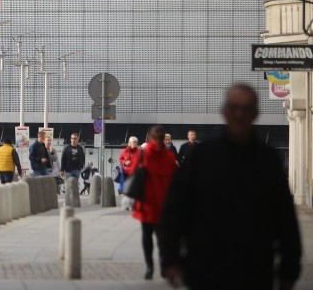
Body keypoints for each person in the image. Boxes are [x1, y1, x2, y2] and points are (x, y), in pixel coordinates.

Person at [161, 84, 301, 290]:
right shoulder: (202, 156)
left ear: (255, 113)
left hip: (254, 267)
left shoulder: (267, 160)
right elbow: (175, 208)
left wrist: (290, 268)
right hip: (206, 266)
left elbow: (284, 216)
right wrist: (170, 258)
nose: (239, 114)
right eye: (234, 107)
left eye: (246, 108)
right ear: (225, 111)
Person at [131, 125, 177, 281]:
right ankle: (164, 264)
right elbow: (175, 180)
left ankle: (150, 267)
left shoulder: (142, 155)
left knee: (147, 235)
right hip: (164, 203)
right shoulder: (170, 157)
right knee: (163, 237)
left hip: (146, 203)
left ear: (149, 138)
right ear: (164, 139)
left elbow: (132, 173)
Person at [118, 136, 141, 210]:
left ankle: (132, 205)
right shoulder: (124, 151)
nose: (134, 144)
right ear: (129, 143)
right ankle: (125, 205)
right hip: (126, 172)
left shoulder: (139, 151)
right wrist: (125, 162)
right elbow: (120, 159)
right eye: (133, 142)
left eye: (135, 142)